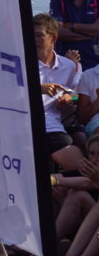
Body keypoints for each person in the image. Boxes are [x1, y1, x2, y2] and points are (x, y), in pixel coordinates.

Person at [34, 13, 84, 170]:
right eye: (30, 35)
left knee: (81, 168)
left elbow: (74, 93)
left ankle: (57, 182)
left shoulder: (68, 66)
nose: (33, 40)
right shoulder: (20, 64)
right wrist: (38, 89)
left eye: (39, 36)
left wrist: (69, 97)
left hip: (52, 125)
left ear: (53, 38)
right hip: (23, 125)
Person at [51, 0, 99, 70]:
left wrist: (72, 26)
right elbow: (57, 31)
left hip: (94, 64)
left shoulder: (97, 0)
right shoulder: (58, 0)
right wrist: (89, 34)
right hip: (65, 62)